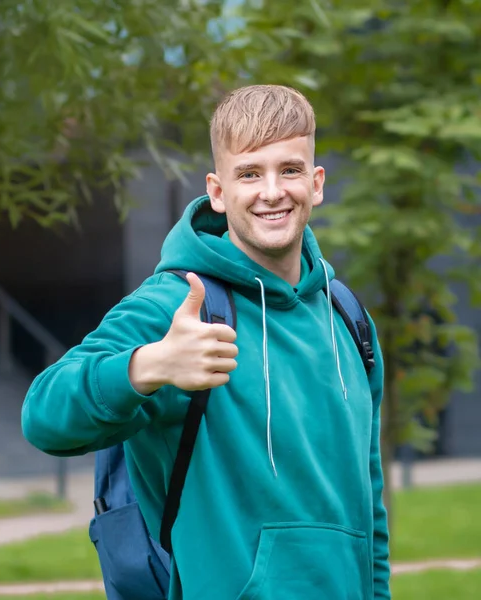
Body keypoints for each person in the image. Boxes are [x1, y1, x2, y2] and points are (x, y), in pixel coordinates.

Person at [22, 84, 390, 599]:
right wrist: (148, 366)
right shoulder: (176, 306)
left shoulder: (348, 320)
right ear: (217, 191)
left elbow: (369, 505)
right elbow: (43, 414)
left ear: (317, 181)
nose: (272, 191)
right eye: (249, 174)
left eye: (289, 169)